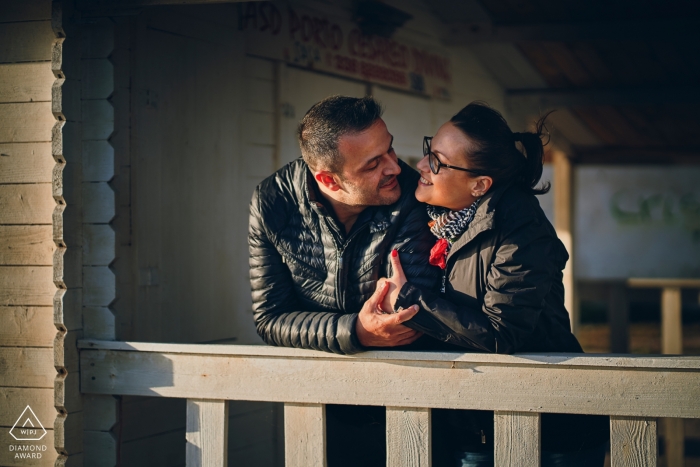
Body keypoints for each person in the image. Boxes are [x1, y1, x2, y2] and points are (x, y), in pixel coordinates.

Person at [379, 102, 609, 466]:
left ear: (480, 185)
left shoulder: (520, 230)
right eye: (428, 151)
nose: (422, 165)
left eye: (437, 161)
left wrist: (409, 300)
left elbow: (503, 334)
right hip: (476, 421)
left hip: (552, 429)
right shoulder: (443, 216)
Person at [248, 95, 439, 466]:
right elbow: (270, 318)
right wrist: (357, 331)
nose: (395, 167)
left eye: (390, 150)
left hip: (413, 397)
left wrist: (377, 324)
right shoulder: (272, 202)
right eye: (373, 164)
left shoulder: (416, 195)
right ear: (327, 180)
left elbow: (406, 315)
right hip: (321, 400)